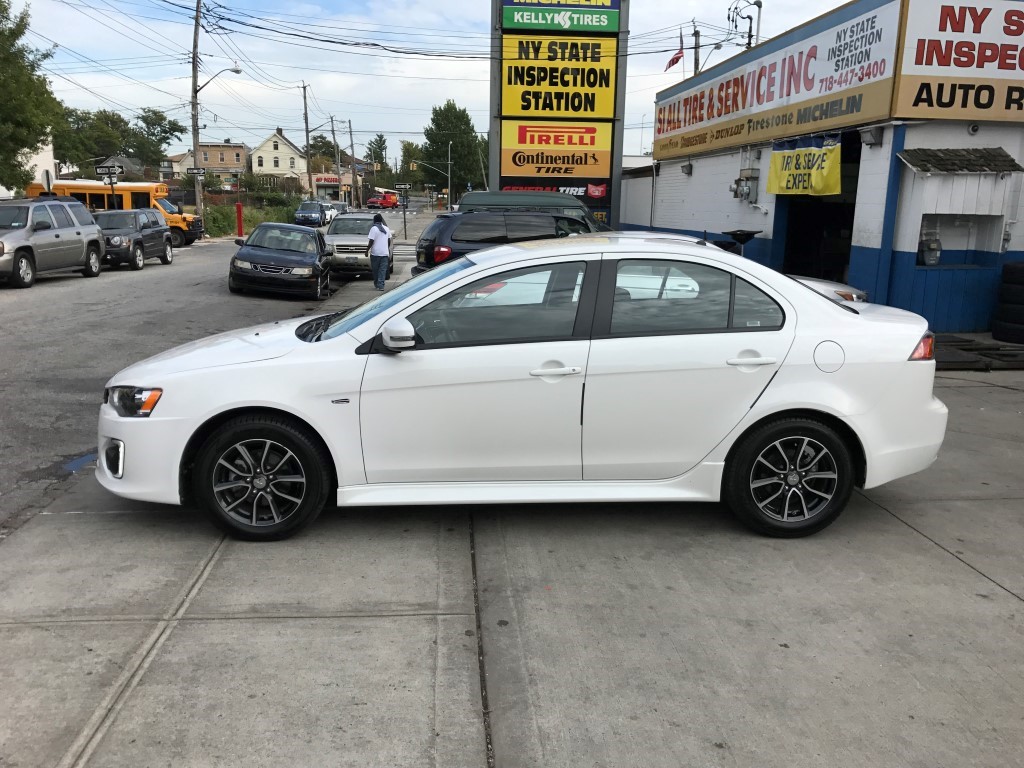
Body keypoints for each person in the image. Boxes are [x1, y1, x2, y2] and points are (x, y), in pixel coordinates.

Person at [365, 213, 393, 291]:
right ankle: (380, 284)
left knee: (376, 269)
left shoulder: (373, 229)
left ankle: (379, 284)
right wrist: (386, 248)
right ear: (381, 221)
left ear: (374, 221)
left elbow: (371, 241)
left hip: (375, 253)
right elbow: (389, 240)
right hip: (384, 253)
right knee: (382, 270)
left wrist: (367, 250)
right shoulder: (386, 229)